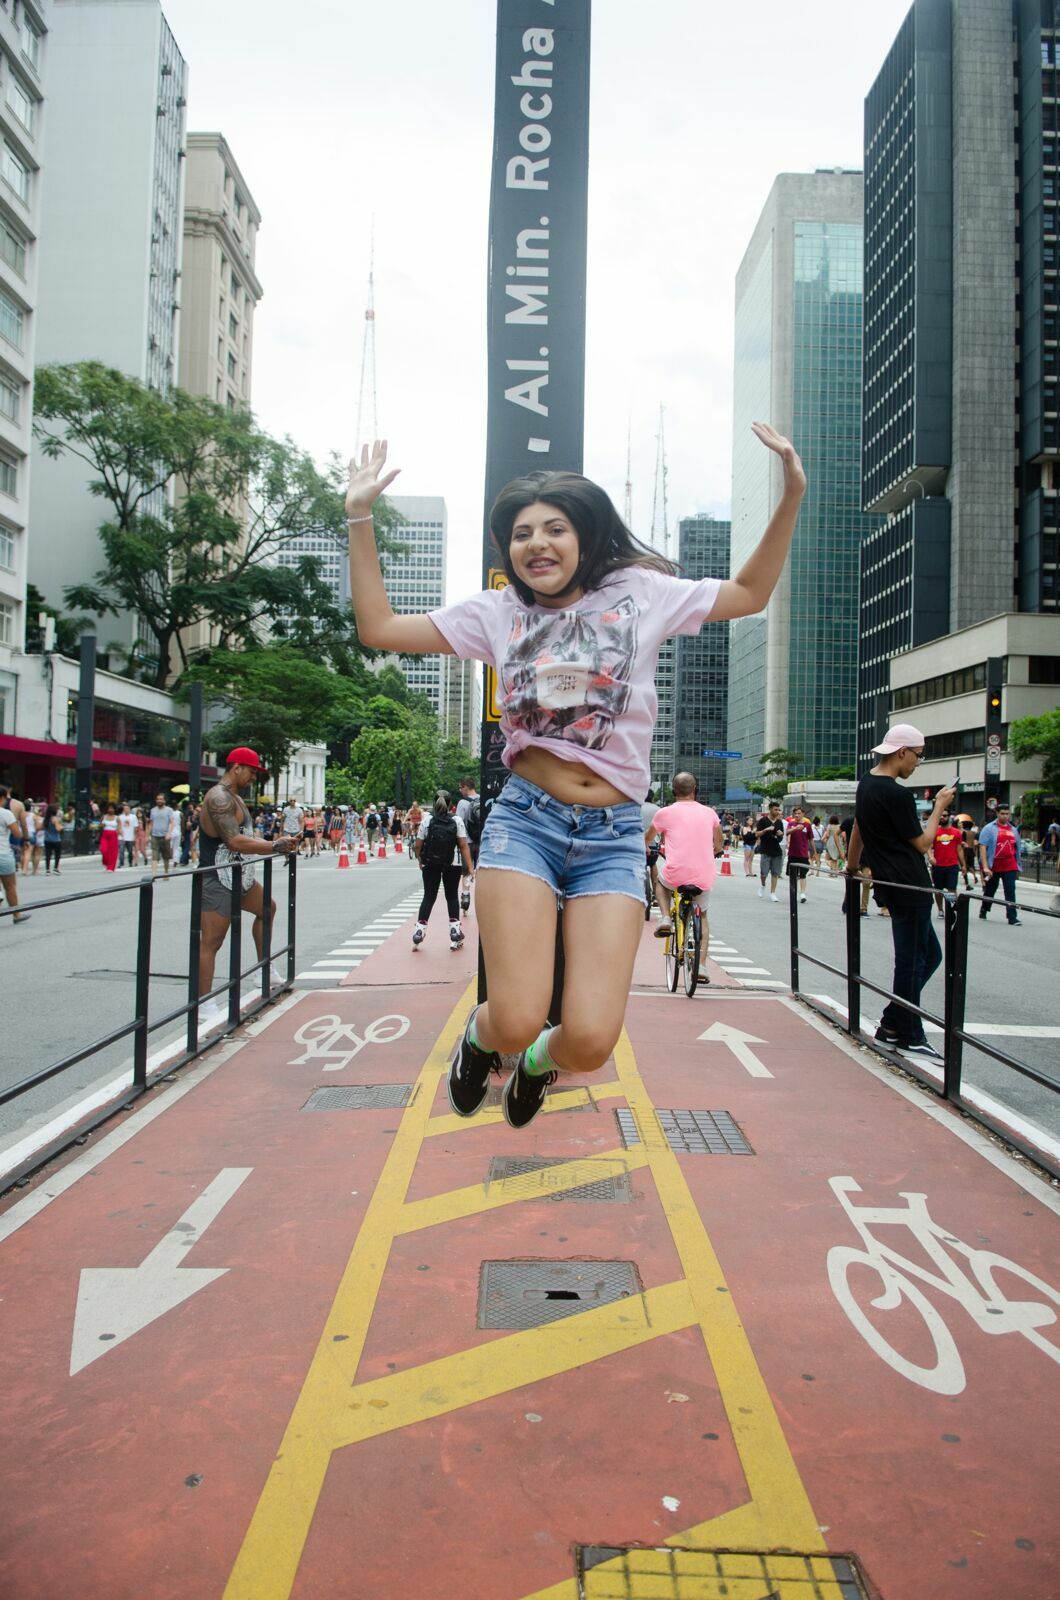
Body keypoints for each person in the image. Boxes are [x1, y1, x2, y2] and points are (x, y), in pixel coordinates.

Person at [346, 426, 806, 1129]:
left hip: (615, 833)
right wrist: (358, 515)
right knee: (517, 1013)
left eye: (555, 528)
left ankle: (535, 1067)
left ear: (584, 537)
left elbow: (748, 592)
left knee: (589, 1041)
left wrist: (791, 496)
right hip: (527, 821)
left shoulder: (641, 594)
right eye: (522, 532)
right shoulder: (495, 613)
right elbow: (378, 627)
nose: (538, 543)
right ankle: (479, 1043)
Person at [847, 723, 955, 1061]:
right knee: (911, 961)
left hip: (890, 884)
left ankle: (892, 1023)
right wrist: (939, 805)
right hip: (910, 883)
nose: (916, 764)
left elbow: (859, 829)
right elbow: (923, 844)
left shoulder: (866, 784)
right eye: (918, 757)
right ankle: (909, 1033)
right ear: (902, 752)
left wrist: (851, 866)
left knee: (928, 956)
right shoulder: (896, 794)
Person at [196, 748, 298, 1020]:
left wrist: (276, 842)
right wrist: (274, 846)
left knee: (267, 909)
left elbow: (243, 837)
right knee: (212, 942)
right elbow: (233, 841)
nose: (254, 776)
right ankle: (204, 1004)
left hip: (239, 875)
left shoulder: (235, 798)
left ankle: (264, 969)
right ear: (237, 767)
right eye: (252, 771)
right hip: (217, 877)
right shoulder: (218, 798)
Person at [644, 772, 723, 982]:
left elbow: (648, 838)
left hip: (676, 872)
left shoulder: (664, 813)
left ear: (673, 790)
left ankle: (665, 917)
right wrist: (715, 851)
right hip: (703, 875)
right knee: (703, 916)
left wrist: (646, 847)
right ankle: (702, 966)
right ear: (695, 788)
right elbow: (719, 844)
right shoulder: (710, 813)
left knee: (661, 884)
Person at [413, 791, 474, 949]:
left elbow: (418, 845)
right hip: (452, 863)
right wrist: (470, 866)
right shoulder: (457, 820)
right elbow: (463, 845)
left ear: (434, 804)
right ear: (450, 804)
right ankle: (454, 931)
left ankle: (419, 931)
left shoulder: (427, 821)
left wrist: (421, 860)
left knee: (428, 896)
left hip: (430, 863)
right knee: (452, 897)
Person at [978, 803, 1023, 925]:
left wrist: (1018, 864)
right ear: (997, 814)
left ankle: (1012, 917)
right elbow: (983, 847)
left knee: (1010, 890)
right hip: (994, 865)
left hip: (1009, 864)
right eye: (1002, 814)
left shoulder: (1013, 830)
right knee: (990, 890)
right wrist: (986, 866)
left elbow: (1017, 848)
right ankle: (984, 908)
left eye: (1007, 814)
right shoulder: (989, 828)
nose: (1005, 816)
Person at [929, 809, 965, 918]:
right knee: (938, 889)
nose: (942, 818)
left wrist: (963, 864)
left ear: (949, 817)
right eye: (940, 816)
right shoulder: (934, 831)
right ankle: (940, 910)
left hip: (952, 865)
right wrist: (931, 857)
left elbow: (959, 849)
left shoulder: (956, 832)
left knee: (951, 888)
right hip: (938, 865)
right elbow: (929, 847)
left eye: (944, 815)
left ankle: (952, 908)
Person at [0, 784, 28, 923]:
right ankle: (16, 915)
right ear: (3, 798)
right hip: (3, 854)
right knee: (10, 886)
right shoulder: (5, 813)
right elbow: (17, 834)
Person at [456, 776, 482, 911]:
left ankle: (465, 896)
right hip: (482, 841)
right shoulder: (483, 799)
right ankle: (483, 899)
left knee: (466, 871)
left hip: (467, 843)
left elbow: (458, 823)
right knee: (482, 871)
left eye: (461, 788)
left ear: (466, 787)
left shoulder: (462, 803)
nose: (460, 790)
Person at [754, 801, 785, 901]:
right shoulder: (763, 821)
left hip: (776, 850)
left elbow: (780, 837)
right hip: (765, 849)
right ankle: (763, 885)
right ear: (770, 809)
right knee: (764, 873)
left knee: (775, 873)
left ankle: (773, 893)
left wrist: (780, 835)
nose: (777, 812)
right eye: (775, 809)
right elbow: (757, 834)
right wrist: (765, 830)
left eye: (778, 810)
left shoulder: (779, 822)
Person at [785, 804, 816, 901]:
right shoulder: (791, 824)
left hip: (803, 854)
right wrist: (795, 828)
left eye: (799, 813)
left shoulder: (807, 825)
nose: (797, 815)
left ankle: (802, 893)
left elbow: (811, 839)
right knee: (792, 875)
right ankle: (793, 892)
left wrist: (813, 852)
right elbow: (787, 832)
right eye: (795, 814)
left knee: (803, 874)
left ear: (803, 814)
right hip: (792, 853)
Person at [149, 792, 175, 877]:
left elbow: (171, 822)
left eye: (161, 799)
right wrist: (148, 834)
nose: (159, 801)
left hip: (165, 836)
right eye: (158, 799)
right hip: (154, 835)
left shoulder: (169, 810)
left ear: (164, 800)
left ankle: (166, 872)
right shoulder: (153, 810)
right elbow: (151, 823)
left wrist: (169, 833)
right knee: (154, 855)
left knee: (166, 856)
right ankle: (154, 874)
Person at [42, 804, 64, 874]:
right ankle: (55, 868)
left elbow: (41, 827)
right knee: (57, 854)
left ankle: (47, 869)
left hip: (47, 839)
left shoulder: (46, 819)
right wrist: (61, 827)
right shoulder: (55, 819)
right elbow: (58, 828)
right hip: (56, 839)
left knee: (48, 854)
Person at [99, 803, 120, 872]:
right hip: (105, 834)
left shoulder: (117, 818)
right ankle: (106, 862)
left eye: (112, 808)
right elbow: (100, 826)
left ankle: (110, 867)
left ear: (114, 810)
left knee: (112, 852)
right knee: (104, 850)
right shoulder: (104, 817)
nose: (111, 810)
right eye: (109, 808)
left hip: (113, 834)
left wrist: (119, 833)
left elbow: (119, 827)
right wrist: (102, 825)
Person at [117, 801, 137, 868]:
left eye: (127, 808)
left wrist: (134, 836)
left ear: (129, 809)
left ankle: (130, 862)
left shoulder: (133, 817)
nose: (126, 810)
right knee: (121, 851)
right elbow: (118, 826)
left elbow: (135, 827)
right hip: (122, 837)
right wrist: (120, 832)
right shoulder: (120, 817)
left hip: (130, 836)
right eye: (125, 808)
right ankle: (121, 863)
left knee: (130, 851)